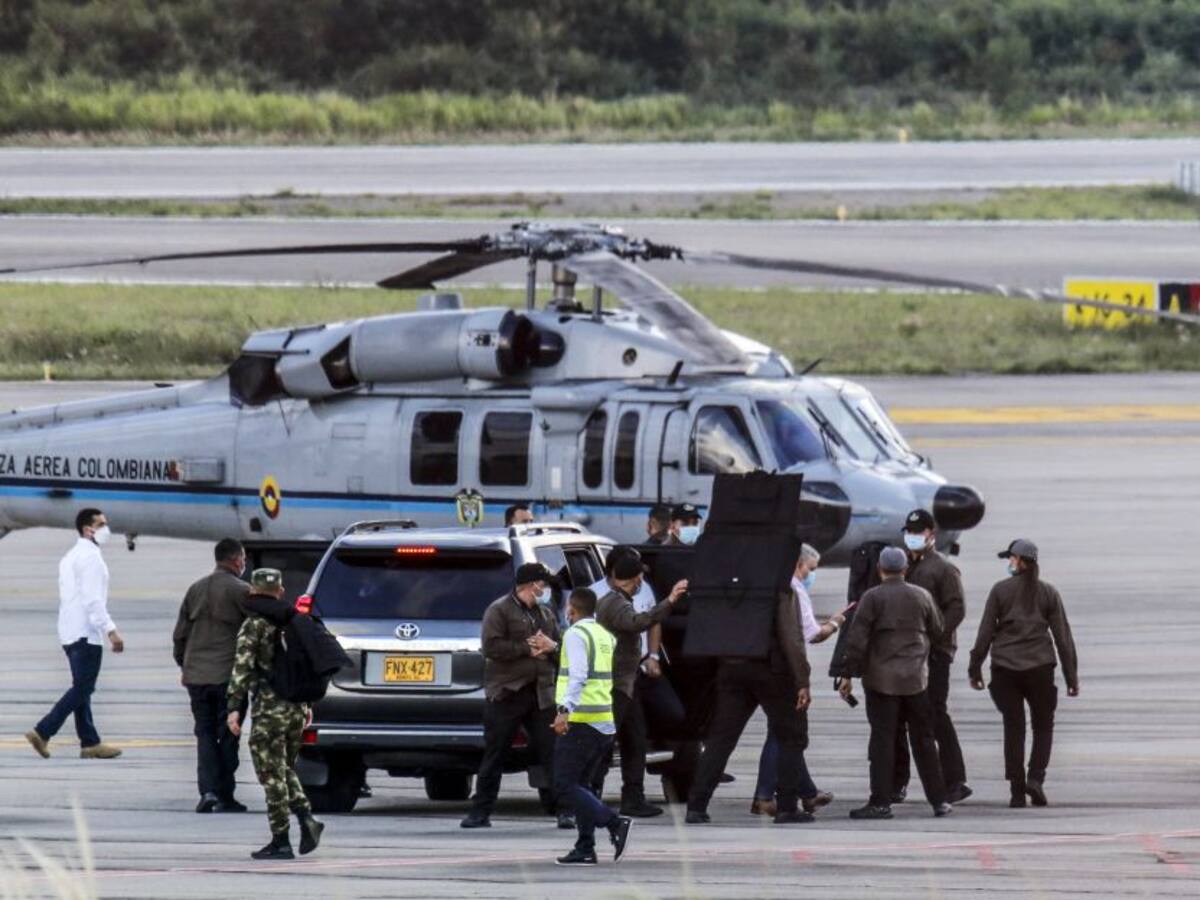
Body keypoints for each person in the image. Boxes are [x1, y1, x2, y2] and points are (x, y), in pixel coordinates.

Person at [685, 563, 813, 825]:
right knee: (791, 736)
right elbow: (791, 637)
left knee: (721, 740)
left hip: (732, 669)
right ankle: (787, 806)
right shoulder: (779, 587)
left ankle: (696, 806)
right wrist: (802, 679)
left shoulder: (728, 586)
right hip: (772, 670)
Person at [839, 547, 951, 819]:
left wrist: (847, 675)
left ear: (880, 569)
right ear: (904, 569)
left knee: (883, 741)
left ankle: (880, 801)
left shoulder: (872, 597)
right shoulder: (921, 595)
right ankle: (938, 800)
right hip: (916, 680)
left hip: (881, 681)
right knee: (924, 740)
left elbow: (857, 640)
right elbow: (938, 630)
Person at [968, 539, 1079, 808]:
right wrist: (1071, 677)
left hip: (1005, 669)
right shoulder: (1048, 593)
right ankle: (1036, 778)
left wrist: (975, 667)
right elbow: (1063, 637)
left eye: (1011, 558)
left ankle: (1017, 790)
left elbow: (984, 632)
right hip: (1040, 669)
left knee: (1013, 726)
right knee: (1043, 726)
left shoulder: (1000, 591)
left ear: (1019, 561)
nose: (1009, 563)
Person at [226, 568, 324, 861]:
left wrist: (234, 708)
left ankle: (281, 839)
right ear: (280, 592)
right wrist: (307, 705)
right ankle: (307, 819)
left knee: (270, 774)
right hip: (296, 707)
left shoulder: (254, 625)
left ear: (253, 592)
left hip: (270, 709)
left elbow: (241, 668)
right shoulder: (295, 623)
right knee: (285, 769)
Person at [462, 562, 568, 829]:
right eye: (542, 584)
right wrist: (526, 649)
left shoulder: (545, 614)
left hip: (542, 693)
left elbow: (560, 648)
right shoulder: (499, 610)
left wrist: (551, 647)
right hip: (508, 691)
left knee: (553, 753)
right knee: (495, 753)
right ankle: (480, 811)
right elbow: (491, 647)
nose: (544, 589)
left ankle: (564, 810)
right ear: (530, 585)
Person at [752, 543, 844, 817]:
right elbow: (811, 634)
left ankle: (806, 792)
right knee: (785, 735)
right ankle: (766, 795)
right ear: (797, 565)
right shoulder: (794, 589)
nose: (811, 575)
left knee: (784, 734)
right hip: (785, 672)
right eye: (810, 569)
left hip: (762, 667)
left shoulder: (770, 584)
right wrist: (836, 623)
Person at [594, 548, 687, 817]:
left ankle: (633, 797)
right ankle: (590, 796)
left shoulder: (619, 599)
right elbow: (638, 622)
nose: (640, 584)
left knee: (635, 738)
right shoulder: (614, 604)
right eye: (638, 578)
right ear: (633, 579)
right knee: (604, 742)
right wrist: (669, 601)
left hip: (629, 681)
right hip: (615, 685)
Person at [26, 508, 125, 761]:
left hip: (69, 630)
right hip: (86, 632)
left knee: (82, 688)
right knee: (83, 687)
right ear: (87, 529)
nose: (106, 529)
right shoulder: (90, 558)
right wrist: (110, 630)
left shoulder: (70, 557)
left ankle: (90, 742)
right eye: (101, 524)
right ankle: (43, 731)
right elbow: (93, 600)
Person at [892, 508, 971, 805]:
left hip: (935, 653)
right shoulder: (905, 566)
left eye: (918, 532)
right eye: (909, 532)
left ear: (931, 535)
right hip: (908, 654)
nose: (912, 537)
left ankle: (955, 779)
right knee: (906, 717)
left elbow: (957, 608)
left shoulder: (943, 569)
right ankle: (900, 781)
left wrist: (936, 638)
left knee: (935, 713)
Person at [552, 588, 634, 867]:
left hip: (581, 722)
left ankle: (614, 823)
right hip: (603, 721)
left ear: (571, 610)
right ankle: (585, 847)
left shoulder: (575, 634)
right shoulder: (603, 635)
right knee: (583, 785)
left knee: (564, 783)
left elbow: (577, 676)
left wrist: (564, 711)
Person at [173, 538, 251, 813]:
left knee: (204, 735)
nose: (243, 563)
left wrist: (185, 667)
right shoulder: (242, 591)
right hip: (228, 677)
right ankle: (225, 793)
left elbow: (180, 635)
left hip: (197, 677)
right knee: (228, 736)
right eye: (242, 558)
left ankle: (207, 792)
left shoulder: (195, 589)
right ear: (235, 560)